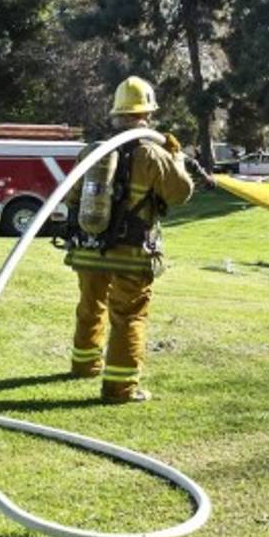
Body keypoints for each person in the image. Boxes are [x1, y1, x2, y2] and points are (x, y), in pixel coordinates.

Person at [63, 76, 194, 404]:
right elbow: (180, 194)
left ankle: (84, 364)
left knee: (90, 305)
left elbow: (70, 197)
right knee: (129, 314)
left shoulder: (93, 151)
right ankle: (120, 388)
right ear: (147, 114)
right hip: (131, 253)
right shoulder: (152, 154)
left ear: (117, 114)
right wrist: (176, 158)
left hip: (89, 248)